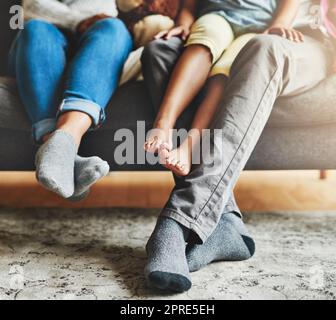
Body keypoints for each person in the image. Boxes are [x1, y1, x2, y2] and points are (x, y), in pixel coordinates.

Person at [141, 0, 334, 292]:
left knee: (263, 47)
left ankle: (179, 221)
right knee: (160, 52)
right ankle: (224, 220)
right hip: (236, 24)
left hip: (308, 36)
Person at [144, 0, 304, 177]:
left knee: (226, 70)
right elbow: (188, 7)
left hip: (259, 26)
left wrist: (279, 24)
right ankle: (162, 126)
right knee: (205, 39)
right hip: (216, 17)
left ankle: (189, 148)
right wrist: (183, 25)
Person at [8, 0, 133, 200]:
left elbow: (105, 10)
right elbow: (32, 8)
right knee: (36, 27)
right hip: (35, 44)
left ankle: (62, 154)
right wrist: (78, 20)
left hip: (98, 36)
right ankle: (65, 155)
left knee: (114, 27)